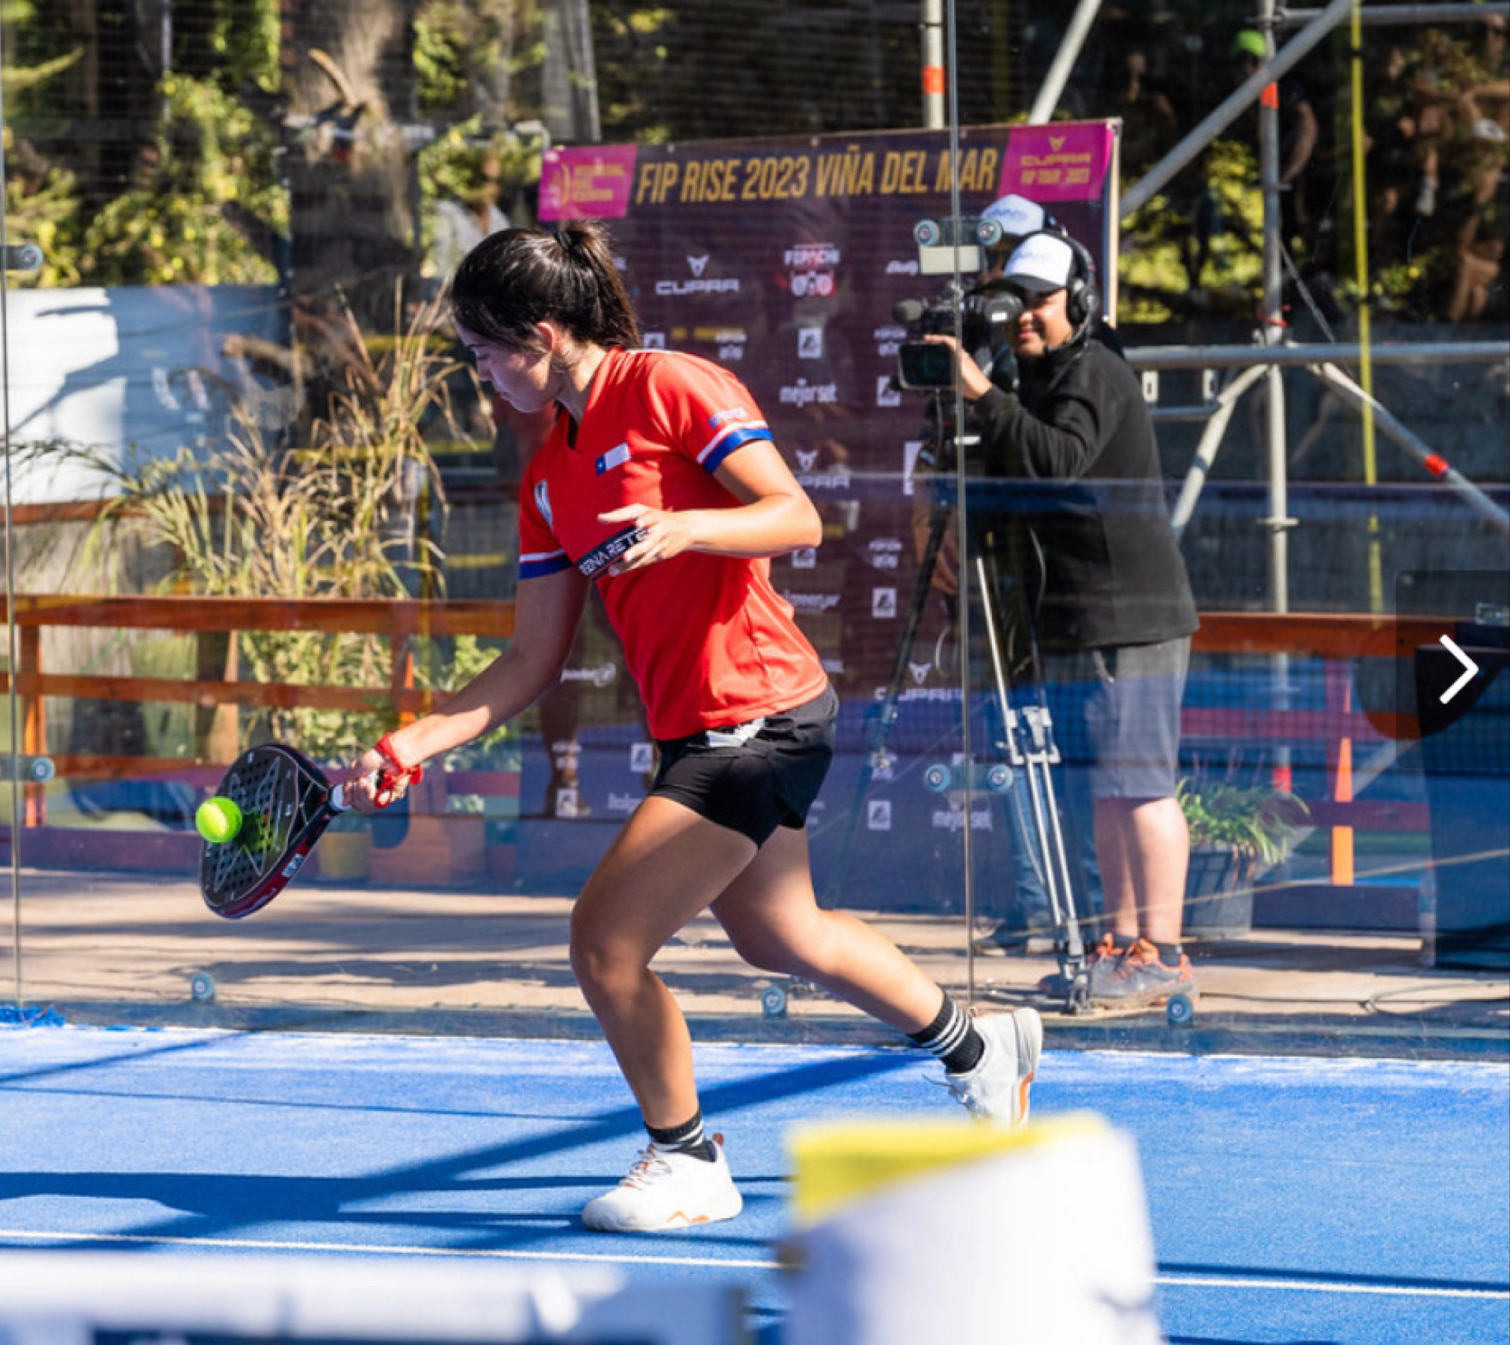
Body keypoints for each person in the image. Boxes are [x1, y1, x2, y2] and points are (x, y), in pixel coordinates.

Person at [337, 222, 1043, 1234]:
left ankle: (689, 1158)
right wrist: (408, 744)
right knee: (781, 934)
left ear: (541, 336)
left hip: (759, 713)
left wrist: (686, 527)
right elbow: (531, 660)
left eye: (486, 352)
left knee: (604, 943)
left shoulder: (673, 386)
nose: (481, 373)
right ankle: (980, 1047)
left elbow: (794, 515)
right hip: (699, 728)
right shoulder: (547, 478)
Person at [927, 232, 1201, 1006]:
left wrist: (983, 394)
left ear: (1078, 301)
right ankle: (1119, 943)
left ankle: (1165, 952)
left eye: (1040, 300)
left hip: (1130, 616)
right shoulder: (1042, 375)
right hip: (1084, 617)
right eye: (1014, 299)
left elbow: (1058, 460)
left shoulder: (1094, 369)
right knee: (1107, 789)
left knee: (1142, 785)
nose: (1024, 315)